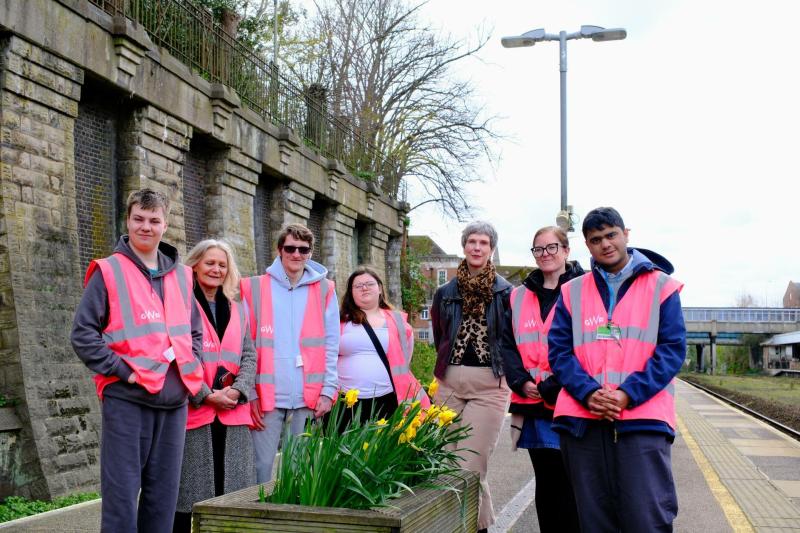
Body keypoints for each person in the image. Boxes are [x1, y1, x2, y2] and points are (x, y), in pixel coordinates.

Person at [71, 189, 204, 533]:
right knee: (121, 500)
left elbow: (195, 333)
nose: (146, 226)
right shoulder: (109, 271)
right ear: (127, 221)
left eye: (154, 220)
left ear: (165, 224)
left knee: (162, 502)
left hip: (174, 404)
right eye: (139, 219)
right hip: (127, 401)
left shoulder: (182, 275)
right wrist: (123, 372)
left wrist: (191, 370)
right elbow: (83, 334)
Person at [548, 207, 687, 532]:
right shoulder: (572, 291)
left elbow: (671, 350)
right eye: (596, 239)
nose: (605, 244)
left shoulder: (662, 287)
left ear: (626, 234)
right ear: (587, 244)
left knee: (646, 518)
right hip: (582, 421)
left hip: (643, 421)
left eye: (611, 235)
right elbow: (558, 351)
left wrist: (627, 393)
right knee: (592, 520)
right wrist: (588, 393)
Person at [430, 220, 516, 533]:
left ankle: (473, 528)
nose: (477, 247)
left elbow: (512, 338)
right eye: (472, 242)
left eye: (483, 243)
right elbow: (440, 334)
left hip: (490, 385)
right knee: (443, 462)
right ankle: (460, 525)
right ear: (464, 246)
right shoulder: (445, 293)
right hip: (449, 383)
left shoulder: (507, 293)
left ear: (491, 249)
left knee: (471, 464)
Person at [240, 223, 339, 483]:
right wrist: (249, 393)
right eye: (290, 248)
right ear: (279, 250)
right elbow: (243, 344)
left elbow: (331, 344)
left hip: (309, 396)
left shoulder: (325, 289)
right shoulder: (253, 287)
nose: (296, 254)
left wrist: (328, 390)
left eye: (303, 249)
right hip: (265, 396)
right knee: (260, 469)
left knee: (299, 472)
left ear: (310, 253)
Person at [173, 240, 257, 533]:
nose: (216, 270)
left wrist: (238, 390)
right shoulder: (181, 306)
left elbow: (249, 355)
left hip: (233, 412)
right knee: (191, 495)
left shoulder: (238, 309)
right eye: (210, 263)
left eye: (222, 265)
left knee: (232, 493)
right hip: (196, 411)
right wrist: (206, 395)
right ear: (195, 266)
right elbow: (177, 355)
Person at [505, 226, 582, 533]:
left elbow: (587, 346)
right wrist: (521, 381)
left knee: (572, 482)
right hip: (533, 403)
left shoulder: (584, 289)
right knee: (547, 481)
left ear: (566, 251)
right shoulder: (518, 295)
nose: (545, 254)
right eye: (539, 249)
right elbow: (507, 344)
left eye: (552, 247)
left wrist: (552, 384)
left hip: (569, 399)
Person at [337, 266, 430, 428]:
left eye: (369, 284)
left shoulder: (397, 321)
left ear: (380, 288)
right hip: (345, 400)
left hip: (387, 398)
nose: (364, 288)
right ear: (351, 292)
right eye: (358, 286)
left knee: (384, 443)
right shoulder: (339, 321)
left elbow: (405, 358)